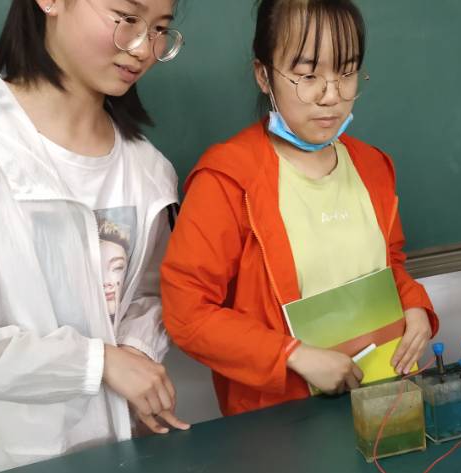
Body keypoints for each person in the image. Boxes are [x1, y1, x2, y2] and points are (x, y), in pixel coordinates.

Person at [0, 0, 189, 473]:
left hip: (113, 470)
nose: (143, 48)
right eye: (126, 18)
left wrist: (136, 355)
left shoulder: (149, 172)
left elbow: (153, 292)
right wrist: (97, 363)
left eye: (160, 29)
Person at [161, 0, 438, 416]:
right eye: (308, 76)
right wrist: (293, 355)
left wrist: (415, 306)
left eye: (346, 73)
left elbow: (390, 265)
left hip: (382, 402)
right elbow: (188, 312)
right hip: (282, 423)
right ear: (264, 75)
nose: (331, 96)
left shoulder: (372, 167)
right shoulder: (227, 178)